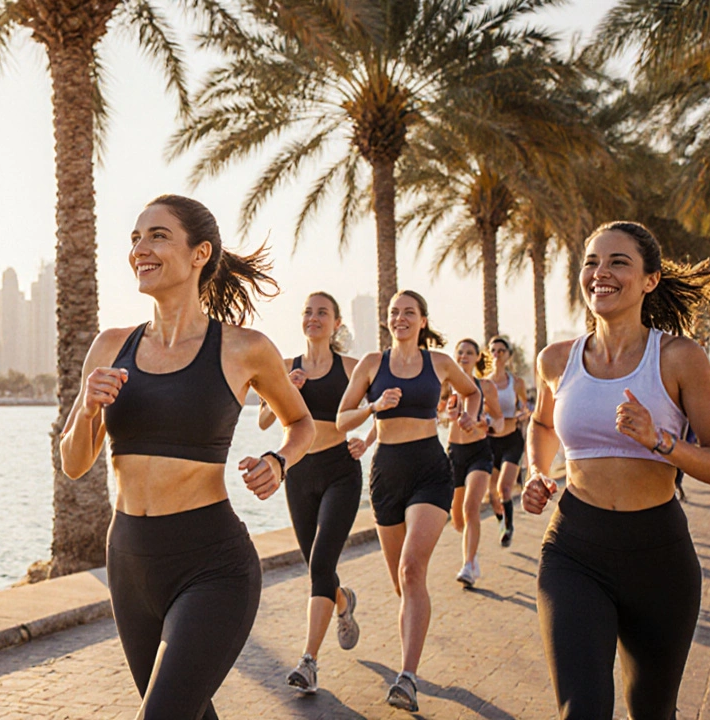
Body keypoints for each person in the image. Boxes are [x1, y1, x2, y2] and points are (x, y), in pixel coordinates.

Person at [59, 194, 316, 719]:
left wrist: (280, 460)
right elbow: (74, 462)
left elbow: (302, 422)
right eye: (135, 238)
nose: (140, 249)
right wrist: (87, 408)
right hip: (129, 564)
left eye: (157, 235)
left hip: (212, 565)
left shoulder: (244, 348)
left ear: (200, 253)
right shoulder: (110, 346)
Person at [522, 221, 710, 719]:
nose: (601, 272)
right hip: (574, 550)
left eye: (618, 262)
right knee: (583, 711)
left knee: (653, 710)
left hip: (658, 557)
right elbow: (540, 425)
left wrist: (662, 442)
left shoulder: (680, 358)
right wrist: (537, 472)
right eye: (591, 262)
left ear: (649, 280)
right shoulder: (556, 360)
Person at [336, 290, 481, 712]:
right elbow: (343, 417)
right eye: (394, 312)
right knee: (403, 585)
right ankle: (408, 653)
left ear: (422, 320)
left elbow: (471, 392)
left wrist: (469, 414)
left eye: (409, 313)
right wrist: (373, 407)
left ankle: (407, 677)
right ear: (387, 320)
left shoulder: (439, 363)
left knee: (411, 568)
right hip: (386, 476)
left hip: (430, 472)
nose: (400, 318)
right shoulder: (370, 365)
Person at [259, 292, 372, 694]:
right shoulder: (285, 367)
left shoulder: (352, 368)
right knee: (317, 567)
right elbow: (262, 420)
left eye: (322, 312)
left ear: (337, 323)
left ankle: (308, 662)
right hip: (300, 473)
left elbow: (381, 408)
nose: (314, 318)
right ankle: (343, 603)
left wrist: (367, 440)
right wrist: (285, 389)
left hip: (342, 473)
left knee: (322, 562)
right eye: (307, 311)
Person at [441, 339, 504, 588]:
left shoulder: (485, 387)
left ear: (478, 357)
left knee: (470, 508)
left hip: (479, 452)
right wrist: (445, 414)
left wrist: (485, 423)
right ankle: (472, 552)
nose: (464, 356)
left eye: (469, 352)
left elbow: (499, 419)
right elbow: (434, 414)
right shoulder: (446, 386)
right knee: (457, 519)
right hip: (454, 453)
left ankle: (468, 564)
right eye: (460, 352)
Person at [486, 336, 530, 546]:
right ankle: (501, 523)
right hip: (490, 443)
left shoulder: (517, 383)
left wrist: (521, 415)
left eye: (501, 350)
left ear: (508, 355)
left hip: (512, 441)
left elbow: (525, 408)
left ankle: (509, 528)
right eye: (493, 350)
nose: (497, 354)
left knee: (504, 488)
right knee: (492, 496)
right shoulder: (483, 384)